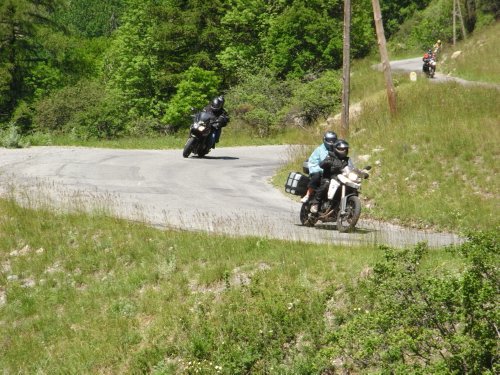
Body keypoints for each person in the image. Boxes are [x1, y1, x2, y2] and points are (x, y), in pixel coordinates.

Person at [310, 139, 354, 213]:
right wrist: (327, 162)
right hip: (328, 177)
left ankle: (349, 206)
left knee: (351, 187)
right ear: (335, 148)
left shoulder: (347, 160)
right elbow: (321, 164)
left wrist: (361, 172)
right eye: (341, 149)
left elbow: (352, 168)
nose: (343, 150)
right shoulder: (330, 156)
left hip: (341, 179)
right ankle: (315, 203)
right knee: (326, 183)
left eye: (344, 149)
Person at [301, 130, 337, 206]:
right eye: (329, 140)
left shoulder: (337, 149)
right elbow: (313, 162)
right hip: (318, 169)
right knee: (317, 176)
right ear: (325, 140)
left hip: (331, 171)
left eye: (333, 140)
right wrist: (321, 169)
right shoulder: (320, 149)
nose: (331, 142)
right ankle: (308, 195)